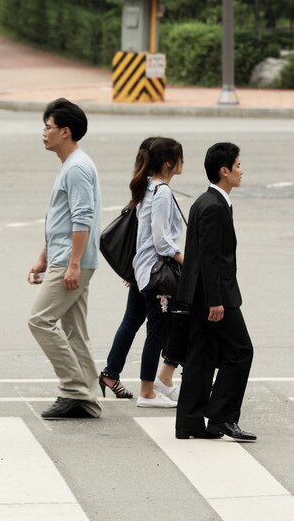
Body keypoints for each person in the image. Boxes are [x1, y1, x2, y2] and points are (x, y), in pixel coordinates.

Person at [27, 98, 102, 419]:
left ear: (65, 132)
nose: (44, 133)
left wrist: (72, 264)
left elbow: (82, 217)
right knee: (73, 330)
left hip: (73, 262)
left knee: (40, 321)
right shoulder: (72, 165)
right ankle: (86, 395)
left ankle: (74, 390)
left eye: (48, 127)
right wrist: (44, 258)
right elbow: (61, 219)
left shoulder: (78, 168)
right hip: (65, 257)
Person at [175, 143, 254, 441]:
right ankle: (222, 417)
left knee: (201, 356)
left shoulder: (206, 202)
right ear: (224, 171)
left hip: (200, 294)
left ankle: (189, 423)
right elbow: (209, 258)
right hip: (214, 296)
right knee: (241, 351)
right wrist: (216, 301)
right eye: (237, 165)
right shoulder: (214, 207)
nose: (241, 170)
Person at [100, 137, 184, 408]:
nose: (184, 163)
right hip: (155, 273)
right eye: (181, 158)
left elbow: (142, 235)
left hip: (143, 269)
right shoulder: (161, 193)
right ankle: (148, 392)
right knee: (157, 332)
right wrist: (185, 259)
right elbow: (161, 241)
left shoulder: (147, 188)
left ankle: (111, 373)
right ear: (170, 163)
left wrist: (136, 268)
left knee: (132, 319)